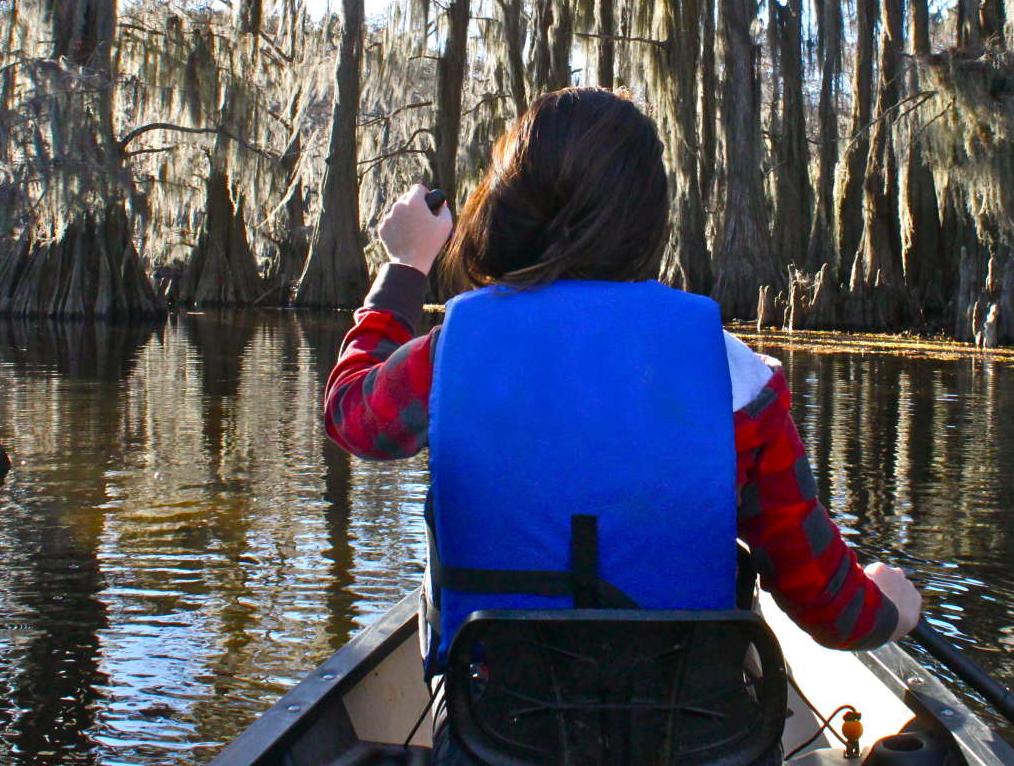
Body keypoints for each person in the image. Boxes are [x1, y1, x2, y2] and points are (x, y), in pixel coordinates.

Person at [324, 87, 922, 759]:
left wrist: (406, 268)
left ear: (507, 209)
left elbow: (352, 414)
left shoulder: (454, 355)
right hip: (693, 739)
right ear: (649, 223)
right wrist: (890, 606)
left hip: (502, 736)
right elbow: (830, 606)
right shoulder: (740, 378)